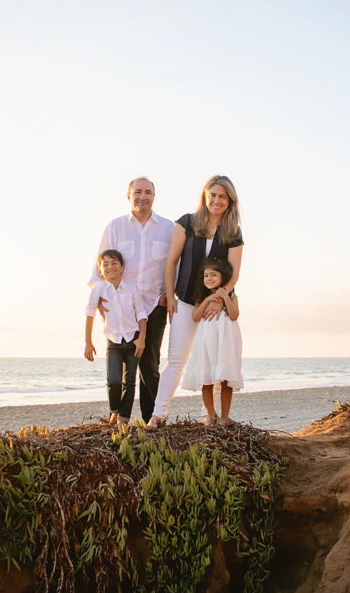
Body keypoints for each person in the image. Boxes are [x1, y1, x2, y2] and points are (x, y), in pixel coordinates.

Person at [147, 175, 243, 428]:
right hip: (186, 301)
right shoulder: (187, 222)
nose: (217, 200)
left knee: (214, 362)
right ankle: (158, 415)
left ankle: (208, 417)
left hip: (216, 308)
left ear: (230, 200)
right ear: (205, 195)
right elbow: (171, 261)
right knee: (176, 359)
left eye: (223, 196)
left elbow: (234, 272)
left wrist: (219, 298)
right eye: (213, 195)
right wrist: (169, 295)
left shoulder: (233, 232)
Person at [90, 178, 175, 422]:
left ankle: (152, 419)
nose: (143, 197)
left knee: (150, 367)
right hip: (121, 310)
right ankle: (118, 417)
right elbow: (98, 268)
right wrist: (100, 303)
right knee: (122, 368)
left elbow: (175, 266)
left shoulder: (168, 228)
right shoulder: (115, 227)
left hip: (153, 307)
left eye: (148, 192)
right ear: (128, 196)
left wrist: (169, 296)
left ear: (154, 197)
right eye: (137, 192)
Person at [84, 249, 147, 426]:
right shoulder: (98, 289)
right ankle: (114, 411)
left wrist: (141, 338)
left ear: (122, 268)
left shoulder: (131, 289)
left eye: (114, 263)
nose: (110, 267)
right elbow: (89, 314)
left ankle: (123, 419)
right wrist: (88, 342)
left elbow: (141, 315)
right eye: (105, 264)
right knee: (113, 380)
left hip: (133, 340)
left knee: (129, 381)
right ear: (100, 269)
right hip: (113, 341)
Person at [181, 257, 242, 426]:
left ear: (224, 277)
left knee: (225, 379)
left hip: (226, 340)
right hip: (206, 341)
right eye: (206, 275)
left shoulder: (231, 295)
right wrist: (208, 300)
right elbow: (195, 317)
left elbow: (235, 315)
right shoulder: (201, 296)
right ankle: (211, 414)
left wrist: (225, 297)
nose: (209, 278)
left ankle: (225, 415)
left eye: (214, 275)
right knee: (206, 378)